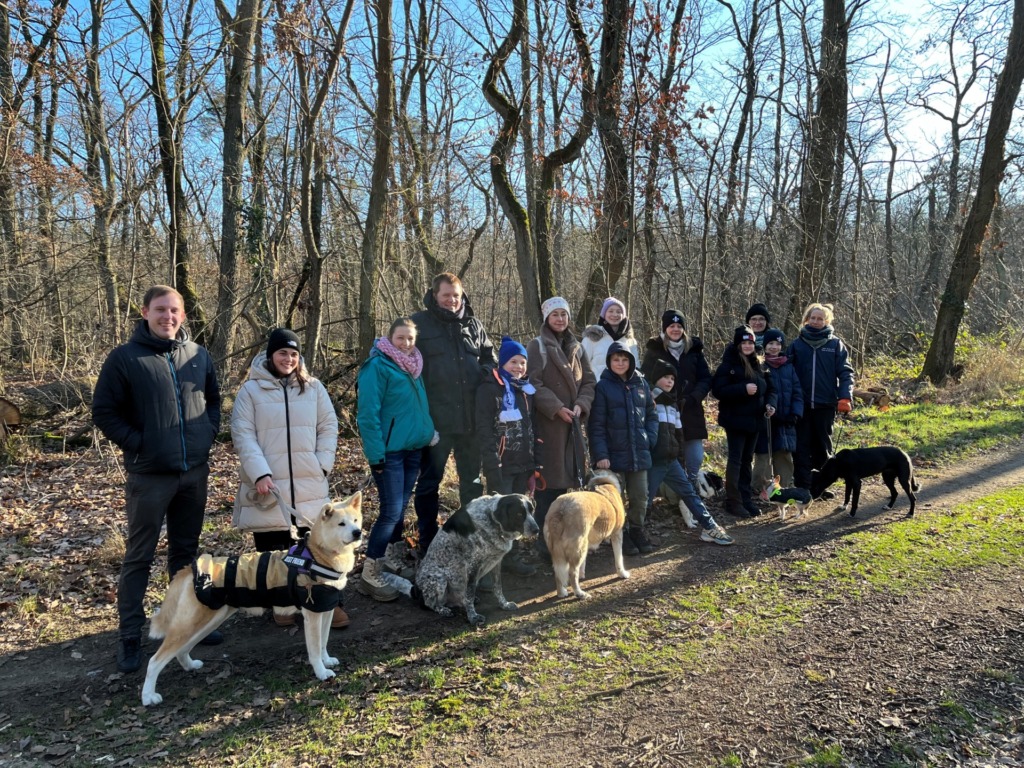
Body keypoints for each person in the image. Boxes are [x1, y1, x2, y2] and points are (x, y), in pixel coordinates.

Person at [92, 285, 222, 673]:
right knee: (139, 557)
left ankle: (184, 624)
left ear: (183, 315)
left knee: (185, 555)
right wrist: (141, 444)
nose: (168, 316)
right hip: (149, 476)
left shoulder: (198, 356)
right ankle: (130, 636)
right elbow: (104, 411)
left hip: (193, 472)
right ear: (146, 312)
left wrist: (206, 434)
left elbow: (214, 401)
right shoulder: (124, 359)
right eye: (161, 310)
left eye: (175, 310)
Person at [232, 328, 343, 626]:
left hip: (310, 482)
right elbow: (243, 434)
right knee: (274, 549)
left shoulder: (314, 388)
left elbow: (328, 426)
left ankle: (323, 602)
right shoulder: (250, 391)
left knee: (317, 548)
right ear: (270, 355)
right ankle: (282, 605)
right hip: (270, 485)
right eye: (283, 353)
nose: (289, 359)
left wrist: (323, 463)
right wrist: (259, 473)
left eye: (294, 354)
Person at [411, 273, 497, 553]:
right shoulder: (419, 324)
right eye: (446, 295)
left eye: (456, 295)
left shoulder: (473, 324)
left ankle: (468, 537)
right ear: (434, 295)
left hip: (470, 421)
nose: (451, 300)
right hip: (437, 422)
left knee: (472, 483)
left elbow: (490, 359)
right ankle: (428, 541)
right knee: (429, 483)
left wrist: (483, 374)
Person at [356, 318, 436, 601]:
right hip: (388, 453)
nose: (406, 343)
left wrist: (428, 433)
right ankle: (371, 570)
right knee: (390, 511)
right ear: (390, 338)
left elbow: (416, 408)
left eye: (411, 338)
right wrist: (376, 455)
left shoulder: (414, 366)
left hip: (412, 449)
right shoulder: (378, 366)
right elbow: (367, 414)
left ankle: (391, 558)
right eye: (401, 338)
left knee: (400, 508)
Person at [527, 297, 597, 556]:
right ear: (546, 318)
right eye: (554, 314)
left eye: (563, 315)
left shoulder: (577, 347)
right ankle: (544, 543)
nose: (560, 319)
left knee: (568, 485)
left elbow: (589, 382)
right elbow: (532, 382)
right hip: (550, 427)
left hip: (573, 426)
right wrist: (556, 408)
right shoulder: (537, 346)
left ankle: (562, 541)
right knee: (548, 487)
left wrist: (581, 404)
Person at [641, 358, 734, 545]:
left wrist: (680, 460)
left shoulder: (673, 404)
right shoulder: (646, 400)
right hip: (653, 461)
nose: (669, 381)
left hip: (672, 461)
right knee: (645, 500)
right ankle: (635, 534)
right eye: (665, 377)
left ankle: (710, 528)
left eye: (672, 379)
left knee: (690, 494)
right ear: (656, 378)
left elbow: (678, 435)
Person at [475, 336, 540, 576]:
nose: (518, 367)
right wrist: (491, 461)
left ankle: (511, 558)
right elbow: (483, 427)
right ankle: (491, 564)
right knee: (499, 515)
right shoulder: (489, 388)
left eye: (522, 363)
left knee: (517, 515)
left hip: (523, 462)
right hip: (501, 463)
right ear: (502, 363)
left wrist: (534, 461)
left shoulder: (526, 390)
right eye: (513, 362)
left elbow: (530, 426)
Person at [589, 342, 659, 555]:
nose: (620, 363)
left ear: (631, 361)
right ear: (610, 362)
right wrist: (601, 454)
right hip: (613, 455)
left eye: (624, 359)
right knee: (615, 499)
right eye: (616, 359)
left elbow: (652, 414)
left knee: (640, 497)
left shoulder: (641, 384)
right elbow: (596, 425)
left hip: (639, 452)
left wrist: (650, 438)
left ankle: (637, 529)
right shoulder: (602, 387)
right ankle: (619, 534)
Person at [788, 302, 855, 492]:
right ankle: (803, 486)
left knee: (822, 447)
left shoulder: (835, 344)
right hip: (801, 406)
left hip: (826, 404)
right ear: (807, 319)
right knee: (801, 447)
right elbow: (786, 373)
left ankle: (821, 487)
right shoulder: (797, 344)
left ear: (827, 321)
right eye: (813, 318)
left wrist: (845, 397)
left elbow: (846, 373)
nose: (816, 321)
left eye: (820, 319)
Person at [641, 310, 713, 486]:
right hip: (663, 409)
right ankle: (673, 493)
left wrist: (694, 397)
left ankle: (691, 487)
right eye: (671, 326)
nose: (675, 329)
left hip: (691, 408)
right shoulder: (654, 350)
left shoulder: (694, 350)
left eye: (679, 326)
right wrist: (659, 396)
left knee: (695, 455)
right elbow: (645, 379)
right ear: (665, 328)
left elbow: (706, 378)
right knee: (670, 453)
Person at [712, 326, 777, 518]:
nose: (747, 346)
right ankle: (733, 501)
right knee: (736, 460)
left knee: (747, 460)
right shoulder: (728, 365)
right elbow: (717, 390)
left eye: (750, 342)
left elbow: (771, 390)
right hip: (735, 420)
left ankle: (745, 498)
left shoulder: (760, 365)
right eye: (744, 342)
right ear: (738, 344)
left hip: (756, 421)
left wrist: (770, 405)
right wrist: (742, 388)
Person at [752, 329, 804, 493]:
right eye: (771, 344)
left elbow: (797, 392)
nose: (774, 347)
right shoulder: (759, 365)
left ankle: (785, 488)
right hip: (766, 418)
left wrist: (795, 414)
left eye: (778, 344)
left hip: (786, 418)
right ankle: (761, 488)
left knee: (784, 454)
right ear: (765, 345)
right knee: (764, 455)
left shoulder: (788, 366)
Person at [580, 297, 640, 380]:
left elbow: (636, 368)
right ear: (604, 314)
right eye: (611, 311)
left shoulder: (630, 340)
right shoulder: (592, 337)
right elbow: (581, 366)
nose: (615, 315)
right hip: (597, 388)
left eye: (619, 312)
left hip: (622, 389)